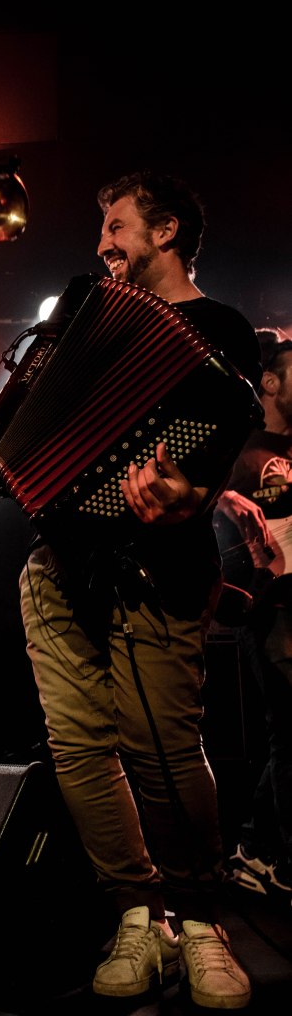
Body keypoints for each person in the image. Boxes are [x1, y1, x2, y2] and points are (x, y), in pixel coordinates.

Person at [18, 172, 260, 1008]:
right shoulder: (87, 322)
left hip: (158, 567)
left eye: (116, 226)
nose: (101, 244)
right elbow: (34, 421)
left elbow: (214, 448)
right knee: (79, 748)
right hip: (57, 565)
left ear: (165, 232)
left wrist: (189, 493)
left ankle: (200, 921)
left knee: (162, 750)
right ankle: (135, 914)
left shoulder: (220, 329)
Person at [213, 328, 292, 902]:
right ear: (270, 382)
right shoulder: (237, 442)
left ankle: (257, 848)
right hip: (268, 606)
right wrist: (224, 499)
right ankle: (276, 854)